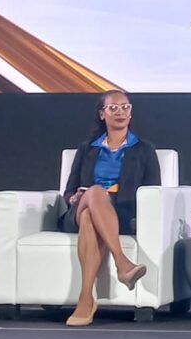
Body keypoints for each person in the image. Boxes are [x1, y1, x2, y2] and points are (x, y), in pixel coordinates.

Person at [60, 88, 160, 326]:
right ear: (102, 114)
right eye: (113, 108)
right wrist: (74, 198)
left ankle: (86, 299)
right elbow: (69, 190)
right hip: (80, 206)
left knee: (89, 219)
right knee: (95, 193)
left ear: (131, 113)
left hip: (120, 213)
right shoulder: (87, 148)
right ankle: (122, 262)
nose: (120, 112)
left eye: (125, 107)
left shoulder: (144, 149)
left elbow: (154, 190)